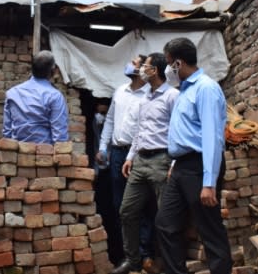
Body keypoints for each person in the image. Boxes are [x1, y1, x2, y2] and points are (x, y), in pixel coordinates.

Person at [155, 38, 232, 274]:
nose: (167, 69)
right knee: (165, 224)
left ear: (178, 63)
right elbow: (186, 133)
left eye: (168, 64)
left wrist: (209, 182)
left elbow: (212, 137)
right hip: (181, 167)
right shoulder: (183, 91)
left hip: (200, 166)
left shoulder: (206, 88)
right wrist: (175, 162)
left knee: (209, 230)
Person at [114, 53, 179, 274]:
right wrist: (130, 157)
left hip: (162, 159)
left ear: (156, 71)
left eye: (146, 66)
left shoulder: (172, 96)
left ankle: (170, 264)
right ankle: (133, 262)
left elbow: (179, 131)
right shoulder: (144, 100)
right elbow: (140, 132)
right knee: (127, 211)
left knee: (165, 217)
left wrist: (174, 163)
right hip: (140, 160)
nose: (142, 69)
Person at [96, 55, 153, 266]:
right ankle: (129, 255)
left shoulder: (150, 95)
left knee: (143, 204)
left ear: (143, 70)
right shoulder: (120, 91)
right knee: (120, 205)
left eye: (135, 63)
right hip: (118, 154)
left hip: (140, 154)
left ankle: (145, 253)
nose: (129, 64)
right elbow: (110, 120)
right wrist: (103, 147)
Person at [2, 50, 69, 144]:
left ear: (32, 69)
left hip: (17, 155)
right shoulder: (55, 96)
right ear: (53, 71)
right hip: (44, 155)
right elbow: (60, 138)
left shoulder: (12, 93)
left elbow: (7, 133)